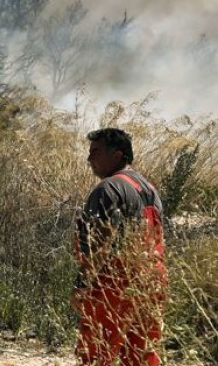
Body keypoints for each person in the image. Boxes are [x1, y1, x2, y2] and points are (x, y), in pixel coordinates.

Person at [74, 127, 168, 366]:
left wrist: (82, 285)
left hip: (114, 283)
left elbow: (100, 243)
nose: (89, 159)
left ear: (117, 155)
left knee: (97, 354)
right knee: (142, 356)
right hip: (151, 281)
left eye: (96, 152)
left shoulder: (108, 188)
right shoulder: (149, 189)